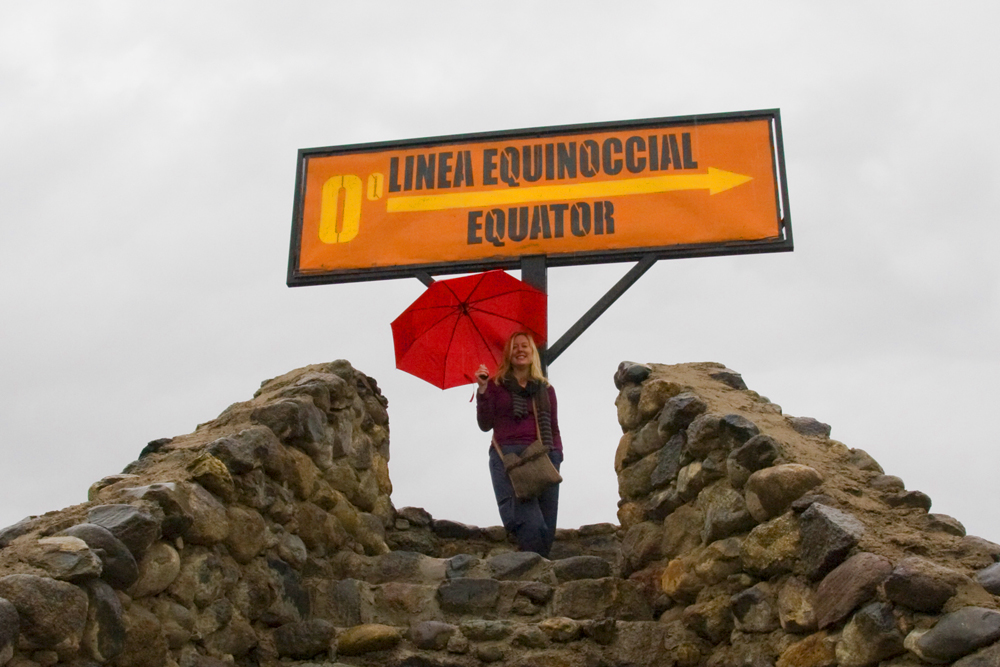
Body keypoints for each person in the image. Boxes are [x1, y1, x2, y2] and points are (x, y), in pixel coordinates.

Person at [475, 331, 563, 557]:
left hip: (541, 456)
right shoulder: (495, 385)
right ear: (508, 354)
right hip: (508, 457)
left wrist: (557, 457)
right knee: (529, 523)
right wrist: (483, 390)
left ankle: (536, 575)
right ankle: (534, 574)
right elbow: (485, 424)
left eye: (525, 346)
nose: (520, 350)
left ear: (532, 352)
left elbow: (553, 428)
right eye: (515, 347)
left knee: (546, 526)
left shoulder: (546, 389)